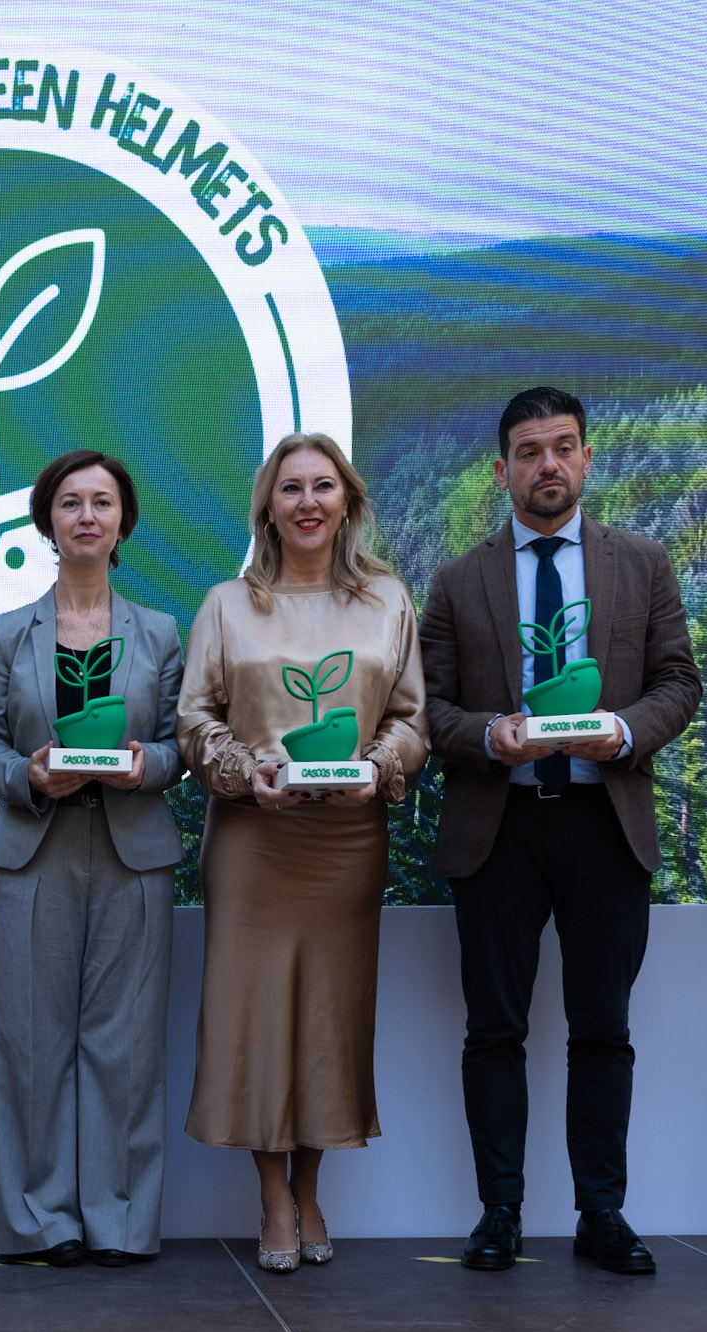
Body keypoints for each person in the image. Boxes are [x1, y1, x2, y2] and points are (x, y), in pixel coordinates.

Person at [418, 386, 701, 1276]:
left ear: (586, 458)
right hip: (498, 828)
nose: (549, 465)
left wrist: (620, 732)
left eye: (564, 447)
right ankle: (499, 1213)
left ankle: (602, 1214)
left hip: (602, 823)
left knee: (602, 1029)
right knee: (493, 1030)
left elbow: (678, 684)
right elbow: (429, 710)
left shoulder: (643, 565)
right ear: (502, 470)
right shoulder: (459, 581)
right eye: (530, 451)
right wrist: (486, 737)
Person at [177, 432, 427, 1274]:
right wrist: (249, 775)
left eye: (325, 486)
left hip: (346, 839)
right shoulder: (225, 603)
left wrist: (378, 768)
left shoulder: (389, 600)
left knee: (330, 1015)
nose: (309, 501)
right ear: (269, 507)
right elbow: (194, 720)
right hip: (254, 837)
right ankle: (271, 1193)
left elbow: (412, 720)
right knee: (253, 1018)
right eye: (291, 488)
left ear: (348, 502)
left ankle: (310, 1184)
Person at [0, 449, 187, 1268]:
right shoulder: (5, 632)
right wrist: (23, 774)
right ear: (47, 522)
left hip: (133, 852)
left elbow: (179, 749)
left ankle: (120, 1221)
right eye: (70, 503)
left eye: (101, 502)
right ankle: (40, 1222)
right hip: (35, 849)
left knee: (124, 1046)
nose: (86, 516)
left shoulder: (161, 632)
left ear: (123, 520)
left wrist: (147, 766)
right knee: (29, 1043)